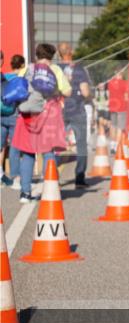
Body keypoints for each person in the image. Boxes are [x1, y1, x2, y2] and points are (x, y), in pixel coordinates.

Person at [12, 43, 71, 203]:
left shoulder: (28, 69)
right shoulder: (56, 70)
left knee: (28, 153)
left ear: (37, 55)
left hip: (28, 115)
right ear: (52, 56)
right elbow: (67, 91)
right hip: (49, 114)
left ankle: (25, 193)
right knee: (48, 152)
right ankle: (49, 189)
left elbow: (18, 88)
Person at [57, 42, 92, 188]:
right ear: (71, 52)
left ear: (59, 54)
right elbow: (85, 92)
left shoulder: (55, 69)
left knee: (56, 144)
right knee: (81, 144)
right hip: (77, 109)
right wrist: (87, 96)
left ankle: (53, 177)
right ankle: (79, 179)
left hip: (59, 110)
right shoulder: (79, 69)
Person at [1, 54, 26, 187]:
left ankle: (1, 176)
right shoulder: (20, 78)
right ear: (22, 64)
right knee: (15, 147)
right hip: (13, 115)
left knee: (1, 147)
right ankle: (15, 176)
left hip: (1, 115)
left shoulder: (5, 76)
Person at [107, 70, 128, 150]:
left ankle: (112, 145)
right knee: (120, 127)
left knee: (113, 126)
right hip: (122, 107)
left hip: (112, 107)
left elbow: (109, 94)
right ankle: (117, 146)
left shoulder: (110, 83)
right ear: (121, 74)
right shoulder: (124, 83)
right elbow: (126, 96)